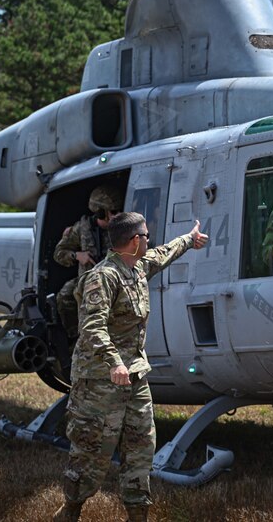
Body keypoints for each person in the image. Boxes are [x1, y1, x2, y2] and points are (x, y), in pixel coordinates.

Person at [53, 212, 208, 522]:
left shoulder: (136, 267)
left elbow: (163, 254)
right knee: (91, 455)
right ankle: (70, 512)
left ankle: (138, 515)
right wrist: (114, 363)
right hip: (99, 381)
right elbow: (92, 327)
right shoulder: (103, 277)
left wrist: (189, 241)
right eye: (146, 236)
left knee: (140, 451)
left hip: (134, 377)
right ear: (135, 241)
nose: (149, 241)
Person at [52, 184, 124, 339]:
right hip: (88, 281)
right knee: (65, 296)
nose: (118, 215)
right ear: (100, 213)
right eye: (113, 212)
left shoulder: (123, 227)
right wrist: (77, 255)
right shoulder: (81, 228)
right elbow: (59, 253)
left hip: (116, 280)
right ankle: (75, 338)